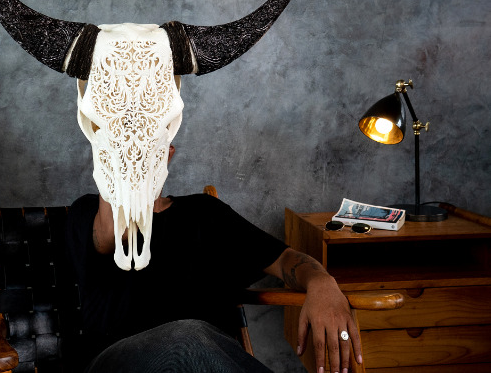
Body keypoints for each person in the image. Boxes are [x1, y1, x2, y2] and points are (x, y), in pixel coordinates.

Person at [67, 146, 361, 373]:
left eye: (148, 141)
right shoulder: (90, 213)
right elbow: (109, 233)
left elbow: (286, 260)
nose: (136, 151)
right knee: (186, 335)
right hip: (117, 361)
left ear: (168, 152)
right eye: (126, 145)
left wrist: (322, 282)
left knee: (195, 339)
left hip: (204, 358)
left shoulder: (205, 212)